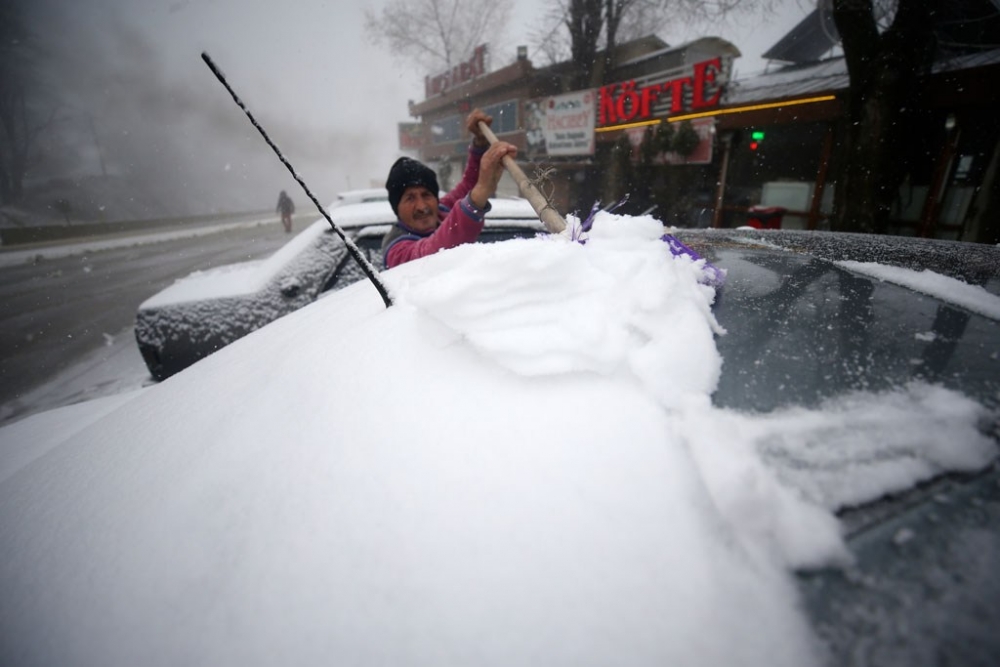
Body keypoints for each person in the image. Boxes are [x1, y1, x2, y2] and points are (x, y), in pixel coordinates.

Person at [381, 109, 517, 269]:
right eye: (410, 198)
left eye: (426, 195)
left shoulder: (441, 211)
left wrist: (480, 143)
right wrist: (481, 191)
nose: (422, 206)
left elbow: (468, 186)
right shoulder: (396, 251)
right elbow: (430, 253)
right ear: (397, 208)